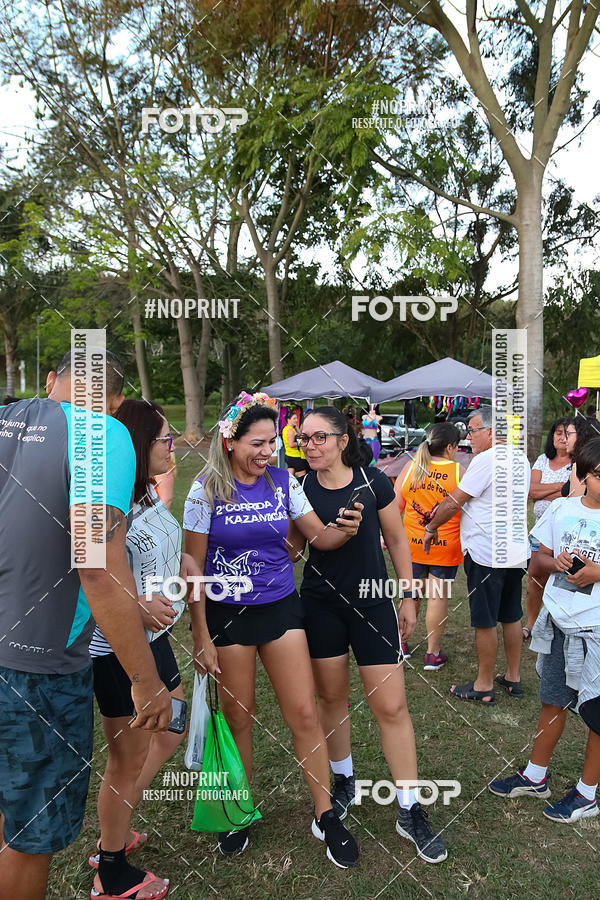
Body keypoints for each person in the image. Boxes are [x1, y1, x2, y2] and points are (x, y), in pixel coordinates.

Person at [0, 350, 171, 900]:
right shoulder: (103, 434)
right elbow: (97, 565)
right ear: (117, 403)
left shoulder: (9, 418)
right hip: (40, 663)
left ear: (52, 380)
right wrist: (144, 678)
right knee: (29, 829)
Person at [183, 391, 362, 868]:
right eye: (257, 444)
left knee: (303, 714)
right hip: (227, 617)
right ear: (230, 442)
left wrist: (344, 528)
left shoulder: (284, 482)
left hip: (282, 609)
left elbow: (317, 535)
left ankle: (326, 814)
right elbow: (193, 567)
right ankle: (237, 812)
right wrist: (201, 635)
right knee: (240, 719)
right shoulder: (204, 490)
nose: (267, 453)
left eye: (272, 444)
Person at [289, 406, 448, 864]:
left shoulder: (373, 480)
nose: (310, 445)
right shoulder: (299, 487)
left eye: (320, 437)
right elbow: (294, 549)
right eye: (304, 438)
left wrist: (408, 595)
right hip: (320, 606)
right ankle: (344, 782)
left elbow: (399, 540)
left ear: (342, 439)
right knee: (331, 700)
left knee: (391, 705)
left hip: (374, 603)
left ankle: (409, 808)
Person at [89, 400, 199, 900]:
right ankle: (111, 872)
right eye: (163, 439)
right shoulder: (109, 505)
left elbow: (159, 551)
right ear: (138, 444)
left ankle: (118, 817)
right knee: (125, 761)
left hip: (155, 640)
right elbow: (90, 580)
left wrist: (184, 570)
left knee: (174, 726)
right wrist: (136, 605)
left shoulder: (148, 495)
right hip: (116, 649)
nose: (171, 446)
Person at [489, 437, 600, 824]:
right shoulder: (562, 510)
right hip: (559, 621)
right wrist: (558, 562)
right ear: (582, 476)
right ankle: (536, 776)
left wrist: (596, 571)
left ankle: (587, 793)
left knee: (597, 709)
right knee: (553, 699)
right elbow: (537, 558)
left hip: (596, 629)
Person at [423, 406, 531, 705]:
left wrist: (431, 526)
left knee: (485, 620)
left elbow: (455, 501)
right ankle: (513, 676)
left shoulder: (486, 460)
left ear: (492, 431)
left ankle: (483, 685)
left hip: (487, 553)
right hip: (515, 551)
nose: (468, 437)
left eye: (472, 430)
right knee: (511, 615)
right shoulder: (520, 457)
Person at [394, 423, 464, 669]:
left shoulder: (410, 466)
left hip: (410, 544)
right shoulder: (458, 471)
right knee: (437, 596)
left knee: (410, 594)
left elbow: (395, 506)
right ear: (450, 447)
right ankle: (432, 654)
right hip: (445, 545)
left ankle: (401, 644)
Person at [523, 419, 572, 639]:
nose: (562, 437)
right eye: (558, 433)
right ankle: (531, 624)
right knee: (535, 575)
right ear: (552, 436)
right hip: (541, 529)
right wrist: (559, 488)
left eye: (567, 434)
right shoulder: (542, 460)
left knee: (563, 576)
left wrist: (548, 490)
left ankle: (558, 625)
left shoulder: (579, 463)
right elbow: (531, 491)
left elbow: (573, 495)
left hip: (566, 531)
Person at [282, 407, 307, 477]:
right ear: (288, 419)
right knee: (302, 477)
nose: (296, 420)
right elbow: (291, 444)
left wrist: (296, 427)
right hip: (295, 456)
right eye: (294, 418)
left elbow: (300, 434)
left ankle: (287, 488)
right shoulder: (290, 430)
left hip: (289, 455)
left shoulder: (287, 428)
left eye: (297, 418)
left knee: (290, 478)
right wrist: (302, 443)